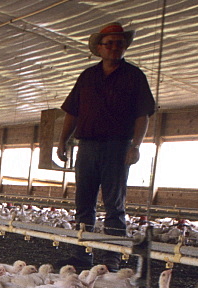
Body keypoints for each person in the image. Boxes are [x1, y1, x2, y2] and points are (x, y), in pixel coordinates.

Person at [57, 23, 155, 266]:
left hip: (117, 146)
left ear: (124, 47)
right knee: (83, 203)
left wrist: (136, 145)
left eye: (119, 43)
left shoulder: (134, 76)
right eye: (109, 43)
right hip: (87, 145)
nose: (114, 47)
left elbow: (143, 114)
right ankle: (80, 255)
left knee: (114, 204)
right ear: (99, 48)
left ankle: (110, 258)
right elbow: (73, 112)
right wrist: (62, 141)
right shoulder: (87, 76)